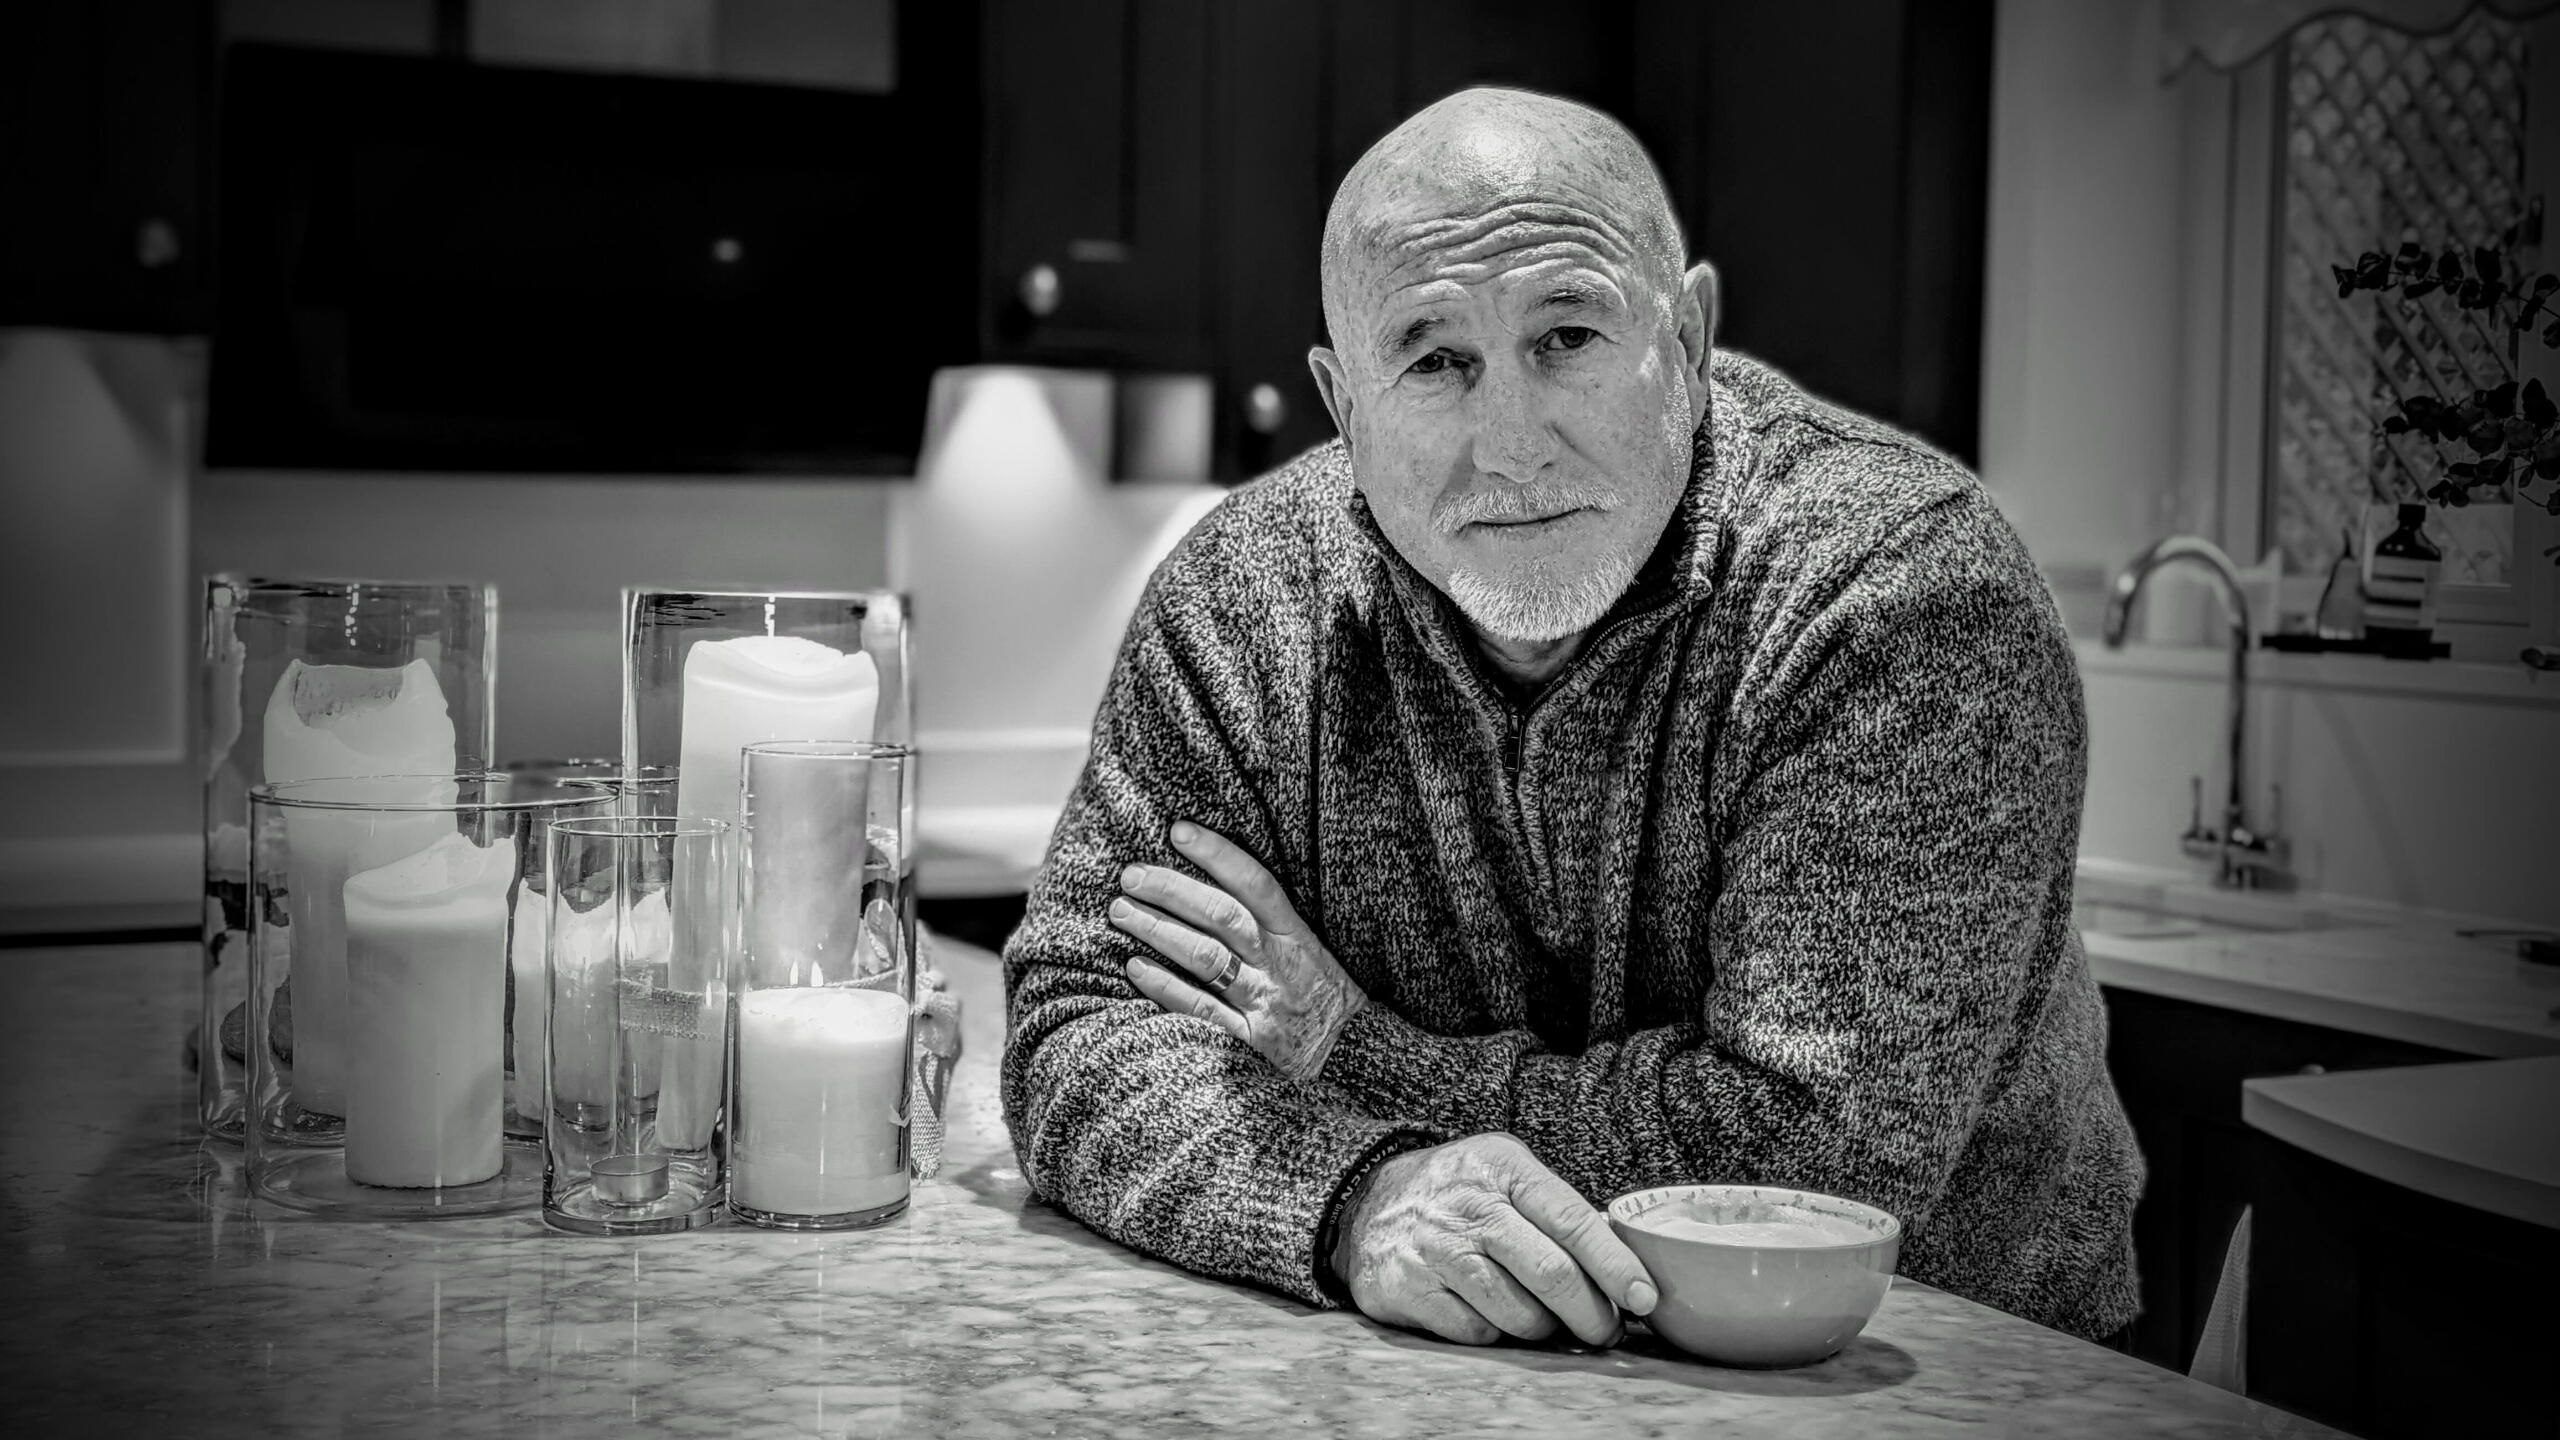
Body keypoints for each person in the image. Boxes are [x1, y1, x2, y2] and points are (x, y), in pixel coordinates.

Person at [1000, 85, 2141, 1349]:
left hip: (1957, 1377)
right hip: (1443, 1380)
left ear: (1691, 342)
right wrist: (1352, 1194)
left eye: (1568, 337)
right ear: (1344, 404)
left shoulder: (1898, 590)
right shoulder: (1238, 606)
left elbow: (1808, 1167)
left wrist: (1340, 1047)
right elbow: (1071, 1029)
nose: (1512, 446)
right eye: (1435, 360)